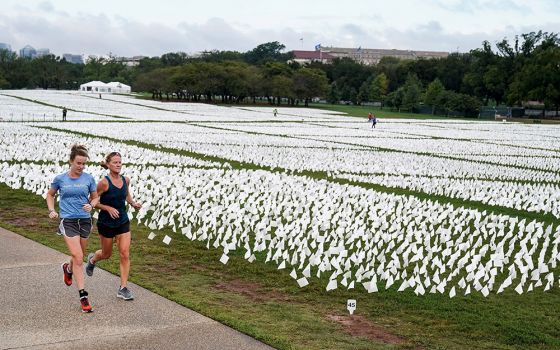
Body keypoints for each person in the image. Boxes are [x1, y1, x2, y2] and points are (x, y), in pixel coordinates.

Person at [46, 144, 98, 313]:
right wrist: (52, 210)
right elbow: (50, 194)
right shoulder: (60, 179)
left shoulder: (89, 179)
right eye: (79, 163)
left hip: (84, 221)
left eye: (84, 164)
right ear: (71, 161)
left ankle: (67, 269)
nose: (82, 167)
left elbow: (95, 197)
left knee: (78, 258)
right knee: (78, 256)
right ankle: (83, 296)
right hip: (68, 220)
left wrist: (91, 205)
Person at [86, 152, 142, 301]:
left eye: (120, 162)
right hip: (106, 223)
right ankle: (92, 260)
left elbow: (126, 194)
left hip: (122, 221)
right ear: (109, 165)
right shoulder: (104, 183)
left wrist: (133, 203)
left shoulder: (126, 180)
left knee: (125, 253)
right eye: (115, 162)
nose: (118, 164)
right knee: (106, 254)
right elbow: (93, 201)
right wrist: (107, 208)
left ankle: (123, 288)